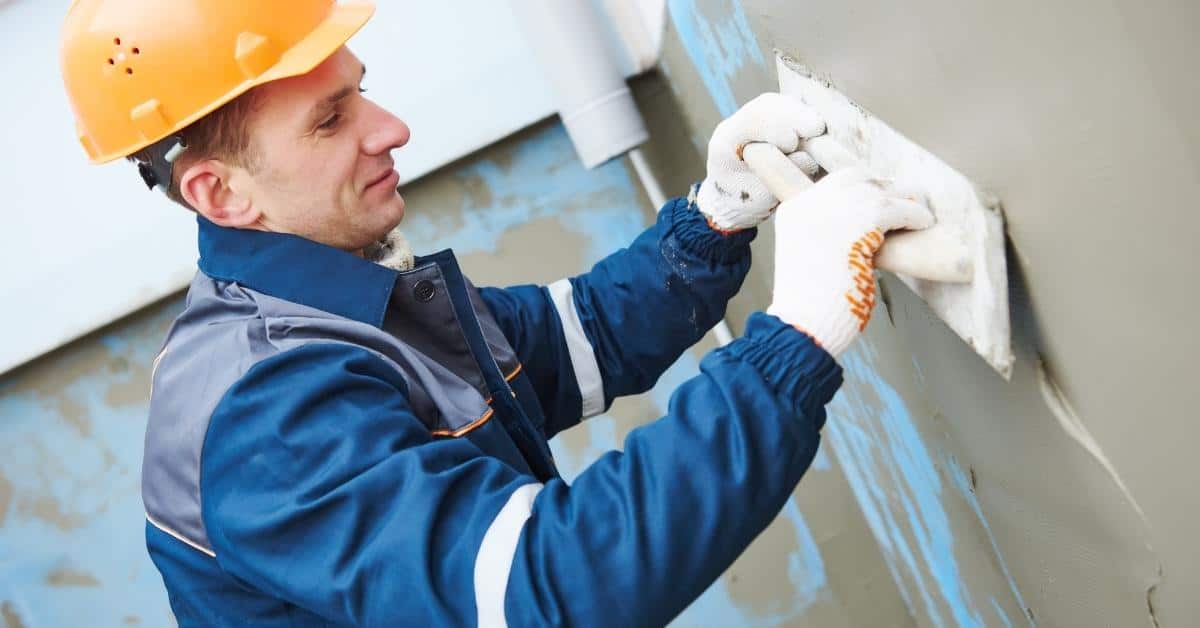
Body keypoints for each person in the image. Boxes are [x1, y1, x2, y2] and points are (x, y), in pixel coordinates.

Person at [60, 1, 932, 626]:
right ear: (221, 193)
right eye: (331, 120)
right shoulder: (266, 412)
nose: (391, 128)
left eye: (361, 91)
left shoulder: (343, 305)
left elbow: (571, 339)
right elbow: (546, 592)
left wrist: (715, 219)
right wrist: (797, 337)